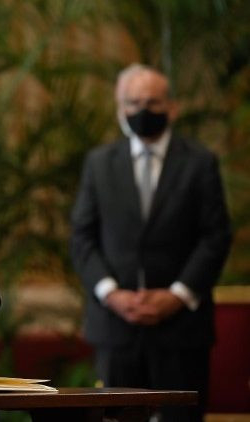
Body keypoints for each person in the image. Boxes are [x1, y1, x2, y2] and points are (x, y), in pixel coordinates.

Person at [70, 63, 232, 422]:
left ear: (172, 107)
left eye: (153, 102)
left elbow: (216, 236)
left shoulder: (200, 162)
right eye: (134, 102)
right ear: (120, 109)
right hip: (115, 328)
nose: (143, 110)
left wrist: (177, 295)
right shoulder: (99, 164)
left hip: (181, 330)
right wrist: (112, 293)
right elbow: (82, 237)